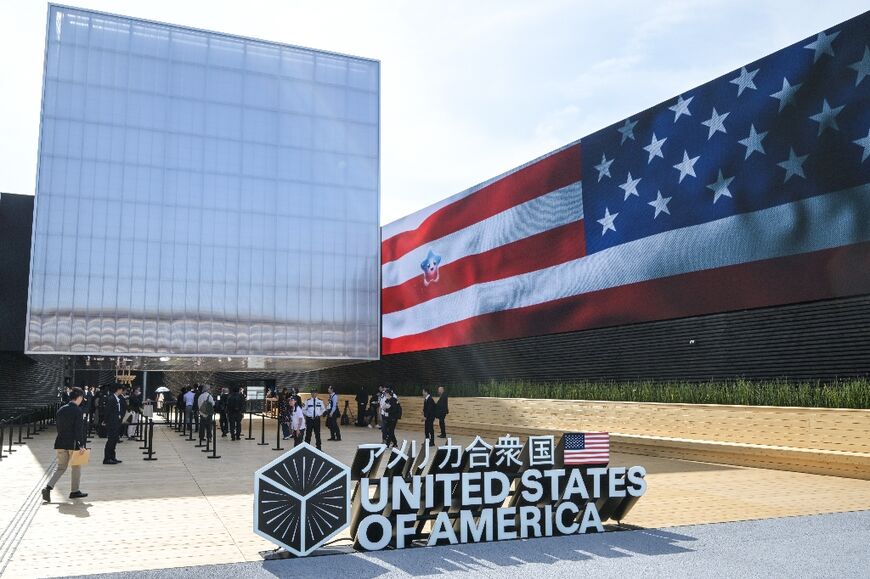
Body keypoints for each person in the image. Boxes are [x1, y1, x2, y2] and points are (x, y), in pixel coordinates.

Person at [42, 387, 89, 502]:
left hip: (60, 442)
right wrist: (81, 445)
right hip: (73, 443)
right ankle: (74, 491)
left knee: (61, 468)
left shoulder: (61, 409)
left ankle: (48, 487)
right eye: (82, 398)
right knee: (76, 467)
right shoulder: (77, 411)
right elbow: (78, 429)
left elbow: (59, 427)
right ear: (78, 397)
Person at [103, 383, 125, 465]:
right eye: (121, 389)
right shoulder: (111, 398)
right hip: (112, 422)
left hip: (116, 421)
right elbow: (108, 411)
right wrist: (105, 421)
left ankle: (112, 457)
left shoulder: (116, 398)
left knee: (114, 440)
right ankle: (107, 458)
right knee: (111, 440)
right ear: (118, 390)